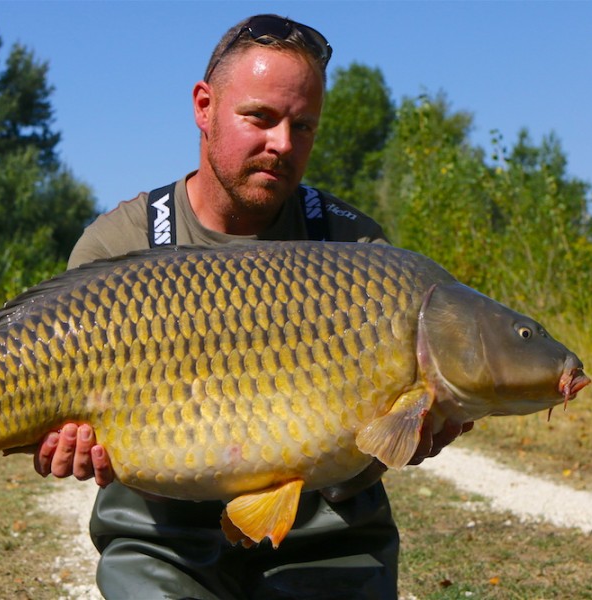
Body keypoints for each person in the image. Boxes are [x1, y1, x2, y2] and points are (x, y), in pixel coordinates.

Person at [34, 14, 470, 599]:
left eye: (304, 127)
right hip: (162, 538)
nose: (282, 144)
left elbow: (383, 441)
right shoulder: (121, 243)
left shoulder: (357, 249)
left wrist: (415, 435)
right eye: (260, 118)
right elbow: (68, 429)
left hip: (329, 538)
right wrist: (64, 444)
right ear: (204, 106)